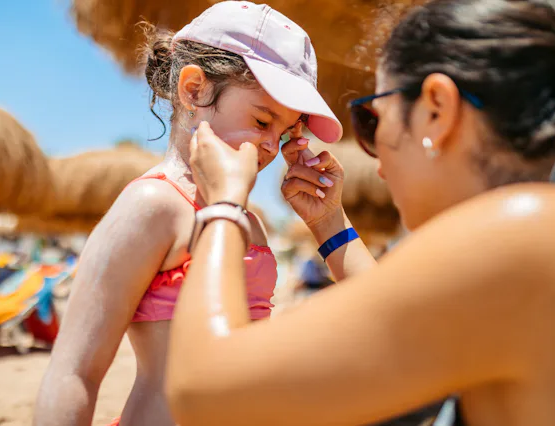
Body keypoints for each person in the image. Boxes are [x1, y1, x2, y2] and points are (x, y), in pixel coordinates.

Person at [164, 1, 555, 425]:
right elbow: (402, 318)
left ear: (436, 109)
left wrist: (223, 206)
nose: (376, 163)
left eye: (372, 121)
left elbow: (198, 389)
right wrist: (328, 224)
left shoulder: (523, 235)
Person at [33, 2, 342, 426]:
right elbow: (75, 372)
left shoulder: (245, 220)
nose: (273, 145)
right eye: (261, 120)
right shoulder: (153, 205)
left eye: (286, 131)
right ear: (194, 90)